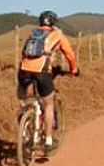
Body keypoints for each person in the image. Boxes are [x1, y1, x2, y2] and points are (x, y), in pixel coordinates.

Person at [18, 11, 78, 152]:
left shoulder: (32, 34)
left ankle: (26, 125)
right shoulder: (57, 35)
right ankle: (49, 141)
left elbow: (23, 52)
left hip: (24, 71)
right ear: (53, 22)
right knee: (49, 104)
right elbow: (70, 54)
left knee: (25, 99)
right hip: (42, 72)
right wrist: (74, 69)